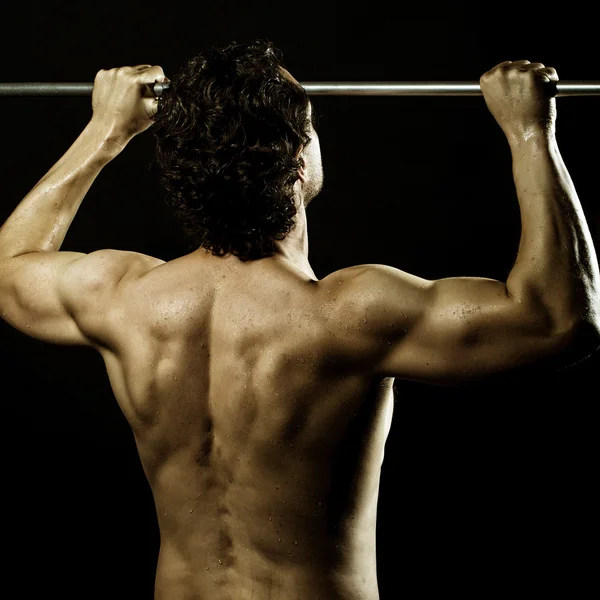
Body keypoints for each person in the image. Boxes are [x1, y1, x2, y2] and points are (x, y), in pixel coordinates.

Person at [0, 39, 598, 600]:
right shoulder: (350, 314)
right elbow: (555, 321)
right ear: (299, 156)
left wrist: (104, 131)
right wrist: (528, 132)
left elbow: (10, 269)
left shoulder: (124, 299)